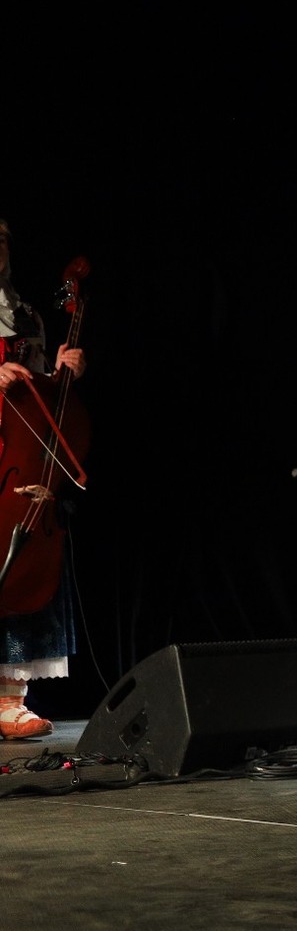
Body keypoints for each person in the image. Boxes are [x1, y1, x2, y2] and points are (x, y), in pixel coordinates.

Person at [0, 218, 87, 741]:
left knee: (26, 563)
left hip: (19, 455)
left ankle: (11, 699)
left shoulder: (26, 315)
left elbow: (38, 396)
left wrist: (61, 372)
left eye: (3, 239)